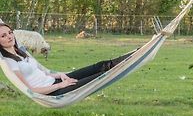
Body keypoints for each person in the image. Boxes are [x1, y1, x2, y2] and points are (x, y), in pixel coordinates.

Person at [0, 23, 134, 96]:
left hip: (55, 80)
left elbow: (43, 72)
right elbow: (31, 90)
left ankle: (136, 55)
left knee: (101, 65)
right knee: (101, 76)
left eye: (10, 33)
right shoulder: (9, 62)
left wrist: (60, 75)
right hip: (54, 90)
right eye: (3, 36)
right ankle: (131, 61)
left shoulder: (22, 52)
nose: (9, 36)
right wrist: (60, 85)